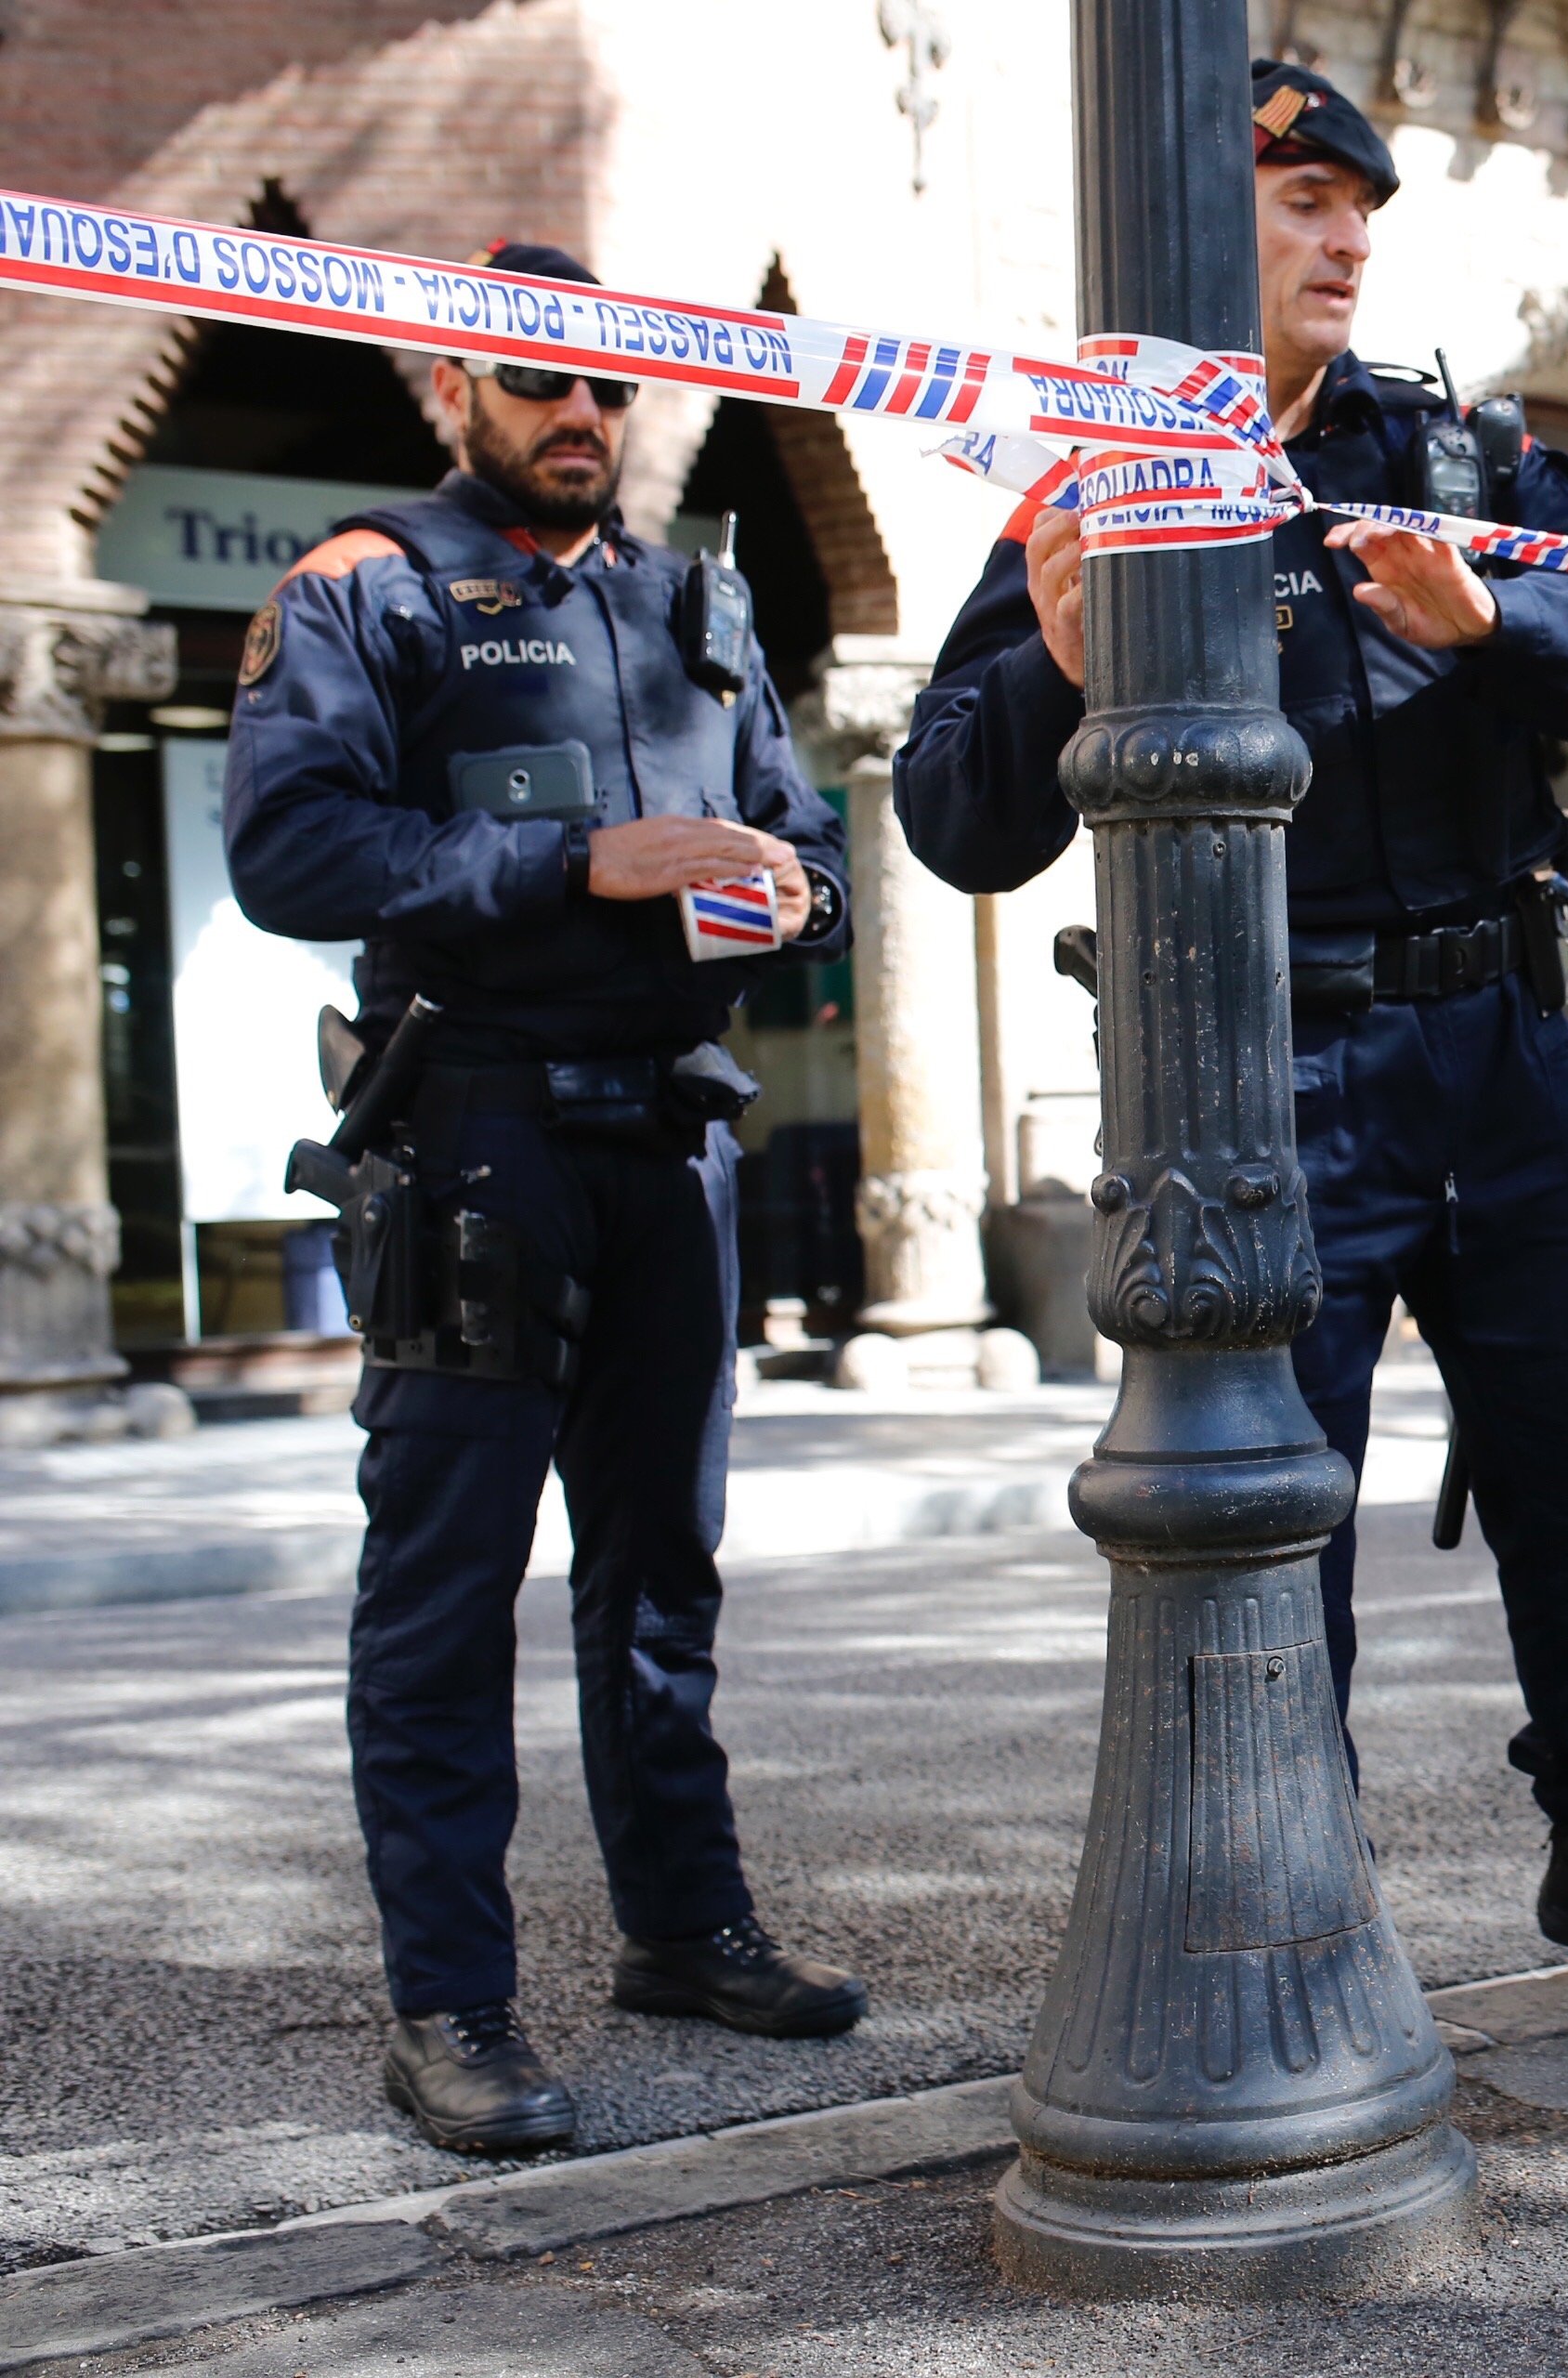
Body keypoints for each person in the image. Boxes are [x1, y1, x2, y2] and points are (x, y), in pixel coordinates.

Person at [892, 62, 1568, 1988]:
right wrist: (1063, 661)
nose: (1344, 237)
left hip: (1501, 1049)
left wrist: (1499, 628)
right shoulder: (1104, 480)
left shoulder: (1458, 456)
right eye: (1300, 198)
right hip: (1268, 1069)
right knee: (1273, 1501)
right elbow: (954, 817)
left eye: (1356, 205)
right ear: (1186, 218)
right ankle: (1288, 1892)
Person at [220, 241, 863, 2155]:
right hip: (473, 1132)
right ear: (455, 389)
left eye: (603, 387)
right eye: (534, 380)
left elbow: (806, 831)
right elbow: (291, 845)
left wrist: (787, 889)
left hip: (671, 1137)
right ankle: (453, 2004)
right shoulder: (371, 583)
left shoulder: (695, 605)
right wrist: (578, 862)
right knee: (444, 1586)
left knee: (662, 1569)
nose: (577, 414)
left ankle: (683, 1923)